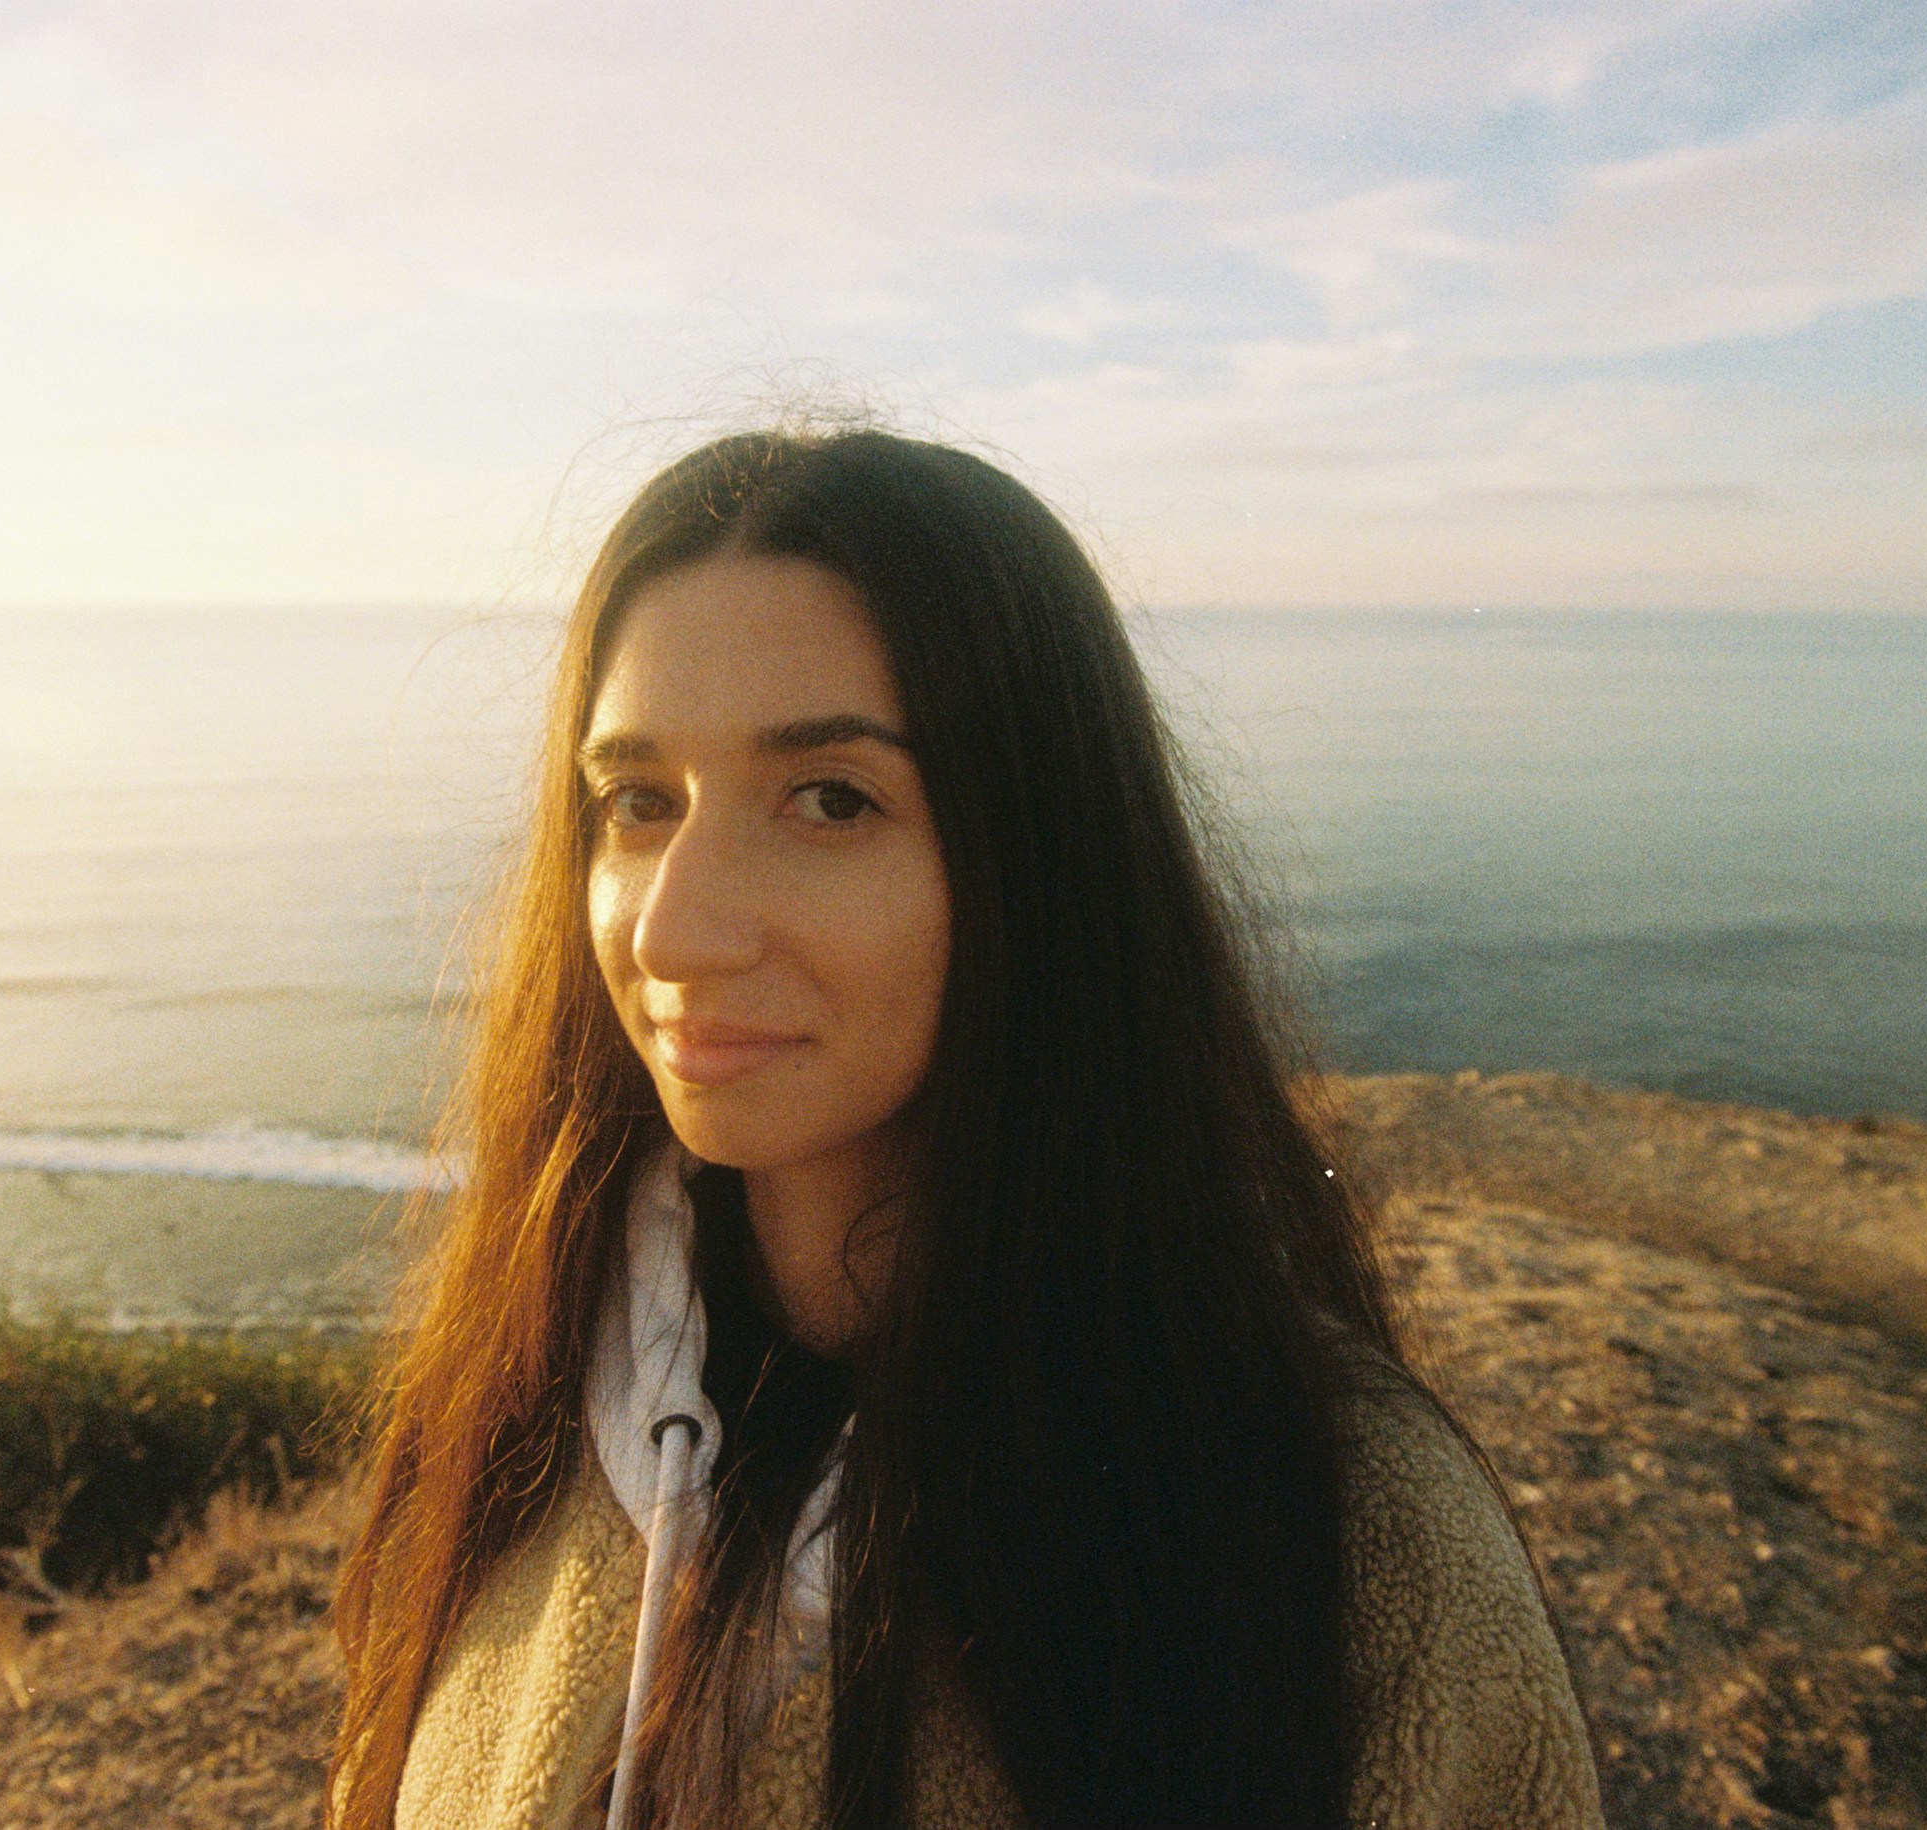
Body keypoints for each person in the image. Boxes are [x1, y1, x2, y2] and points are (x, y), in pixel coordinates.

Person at [328, 429, 1603, 1830]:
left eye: (829, 800)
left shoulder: (1359, 1552)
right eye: (639, 802)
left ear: (1038, 860)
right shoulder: (521, 1413)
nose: (674, 925)